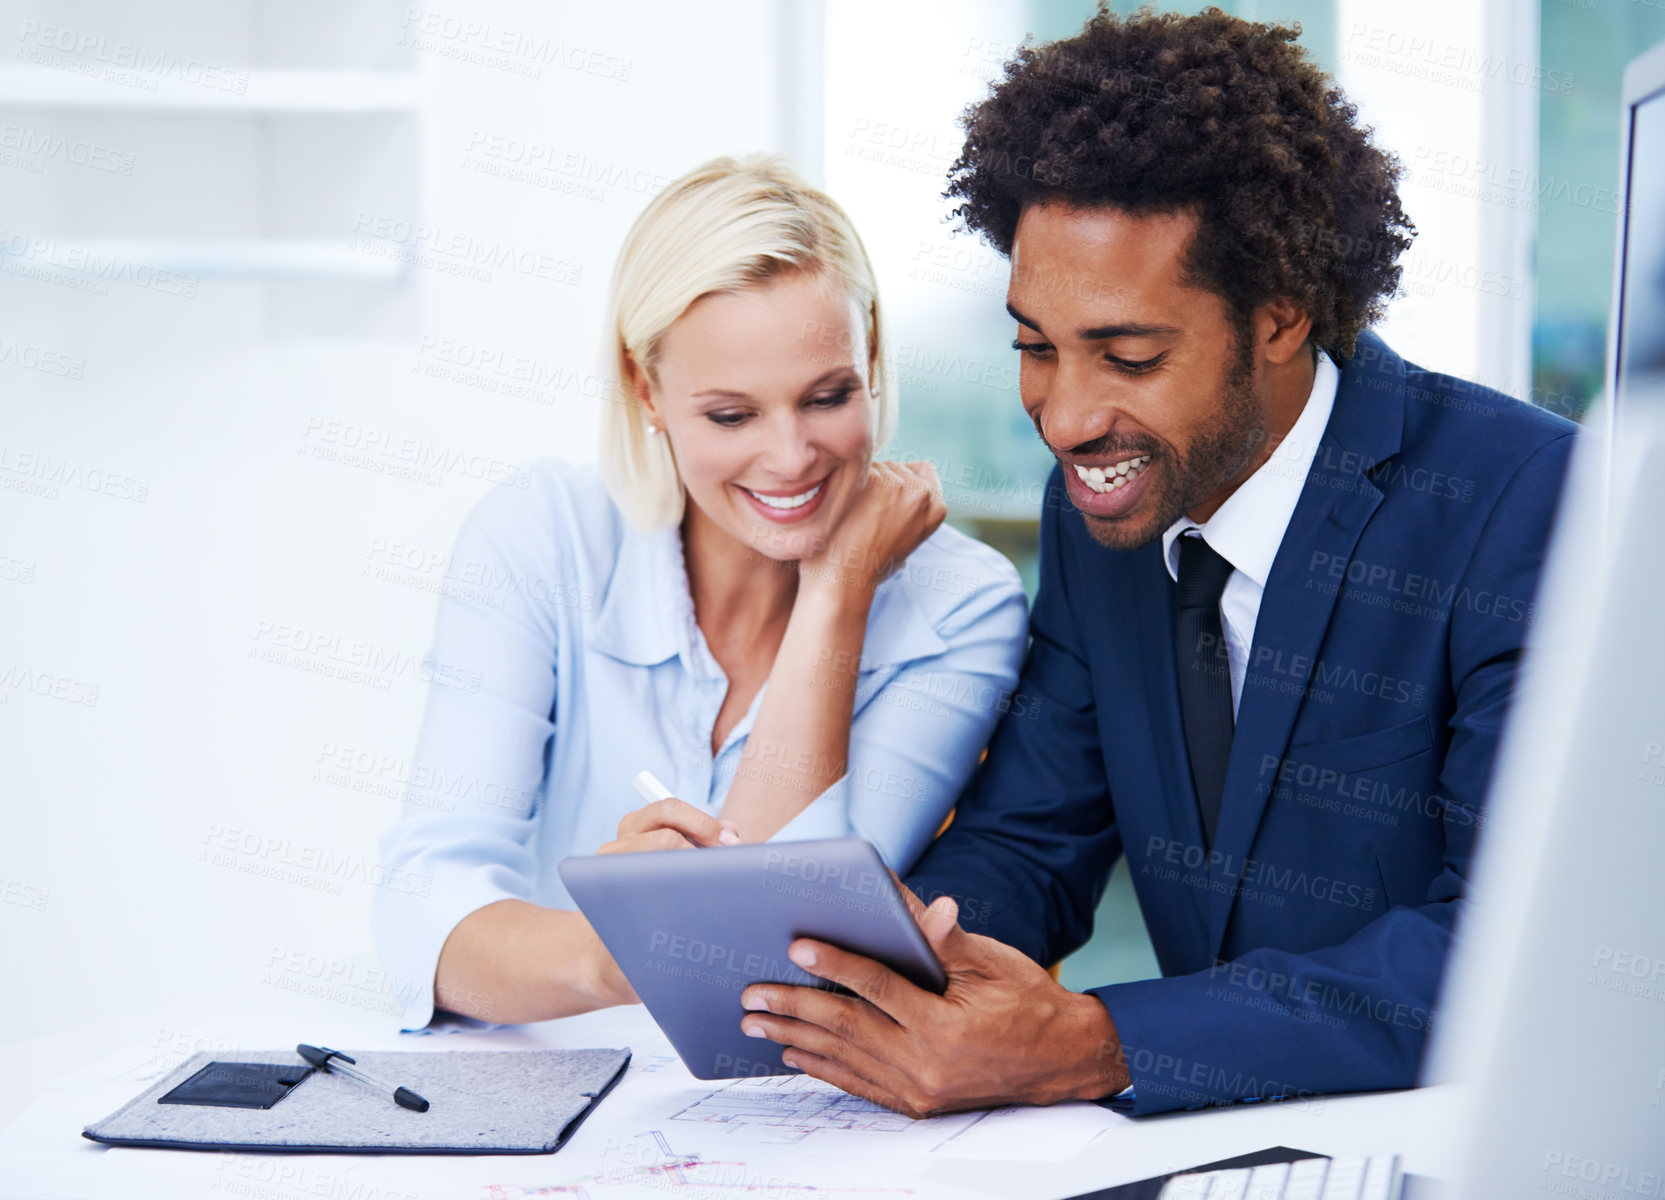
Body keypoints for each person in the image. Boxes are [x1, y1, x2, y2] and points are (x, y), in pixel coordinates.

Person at [734, 8, 1578, 1116]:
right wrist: (892, 971)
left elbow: (1512, 946)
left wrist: (1099, 1043)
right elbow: (1033, 838)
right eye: (1035, 346)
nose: (1067, 417)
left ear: (1282, 317)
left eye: (1128, 355)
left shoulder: (1525, 503)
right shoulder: (1106, 510)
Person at [372, 155, 1028, 1032]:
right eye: (731, 415)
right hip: (556, 1100)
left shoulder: (960, 604)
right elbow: (424, 914)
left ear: (870, 358)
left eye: (827, 397)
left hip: (800, 1116)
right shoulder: (538, 538)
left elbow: (780, 937)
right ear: (645, 388)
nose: (791, 457)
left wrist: (836, 588)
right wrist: (610, 955)